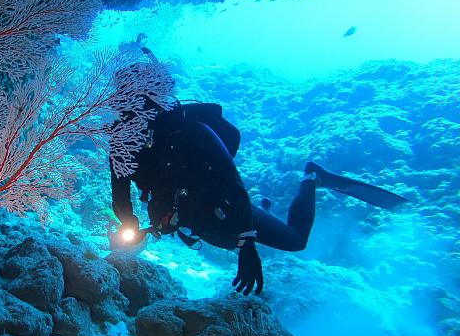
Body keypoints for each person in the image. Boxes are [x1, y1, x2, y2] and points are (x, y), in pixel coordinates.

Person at [109, 49, 408, 296]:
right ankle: (263, 208)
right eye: (123, 102)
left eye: (135, 102)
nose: (128, 112)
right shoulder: (122, 140)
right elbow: (119, 190)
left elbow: (233, 184)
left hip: (224, 200)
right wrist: (129, 223)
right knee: (225, 241)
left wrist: (248, 243)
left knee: (294, 241)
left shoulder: (192, 131)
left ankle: (313, 177)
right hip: (189, 210)